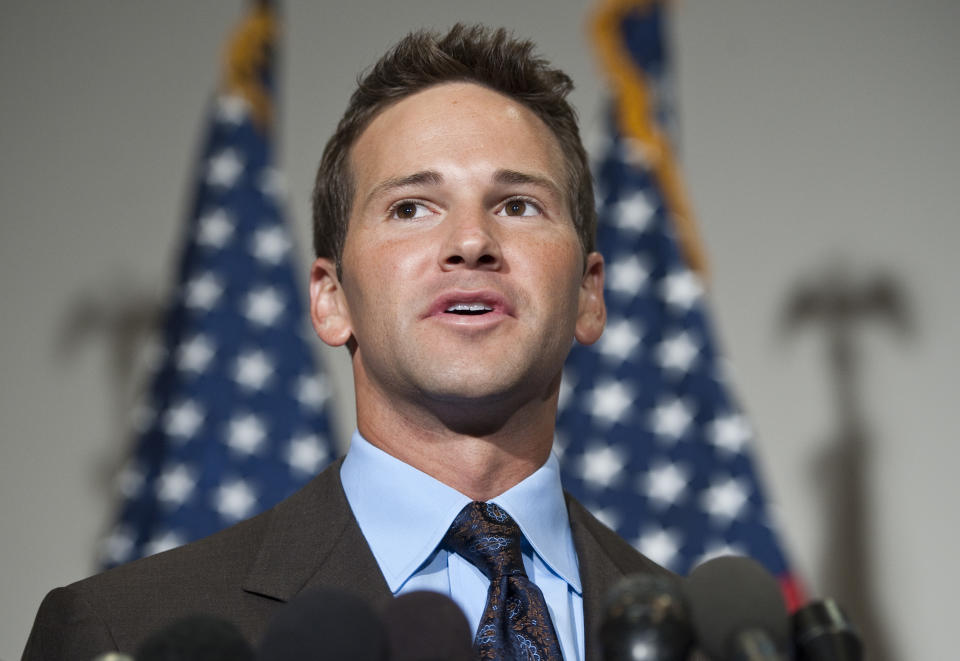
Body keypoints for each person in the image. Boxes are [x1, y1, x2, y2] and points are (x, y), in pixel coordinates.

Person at [23, 24, 669, 661]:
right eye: (411, 207)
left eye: (518, 205)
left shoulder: (704, 634)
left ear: (589, 294)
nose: (471, 242)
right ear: (331, 300)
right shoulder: (121, 631)